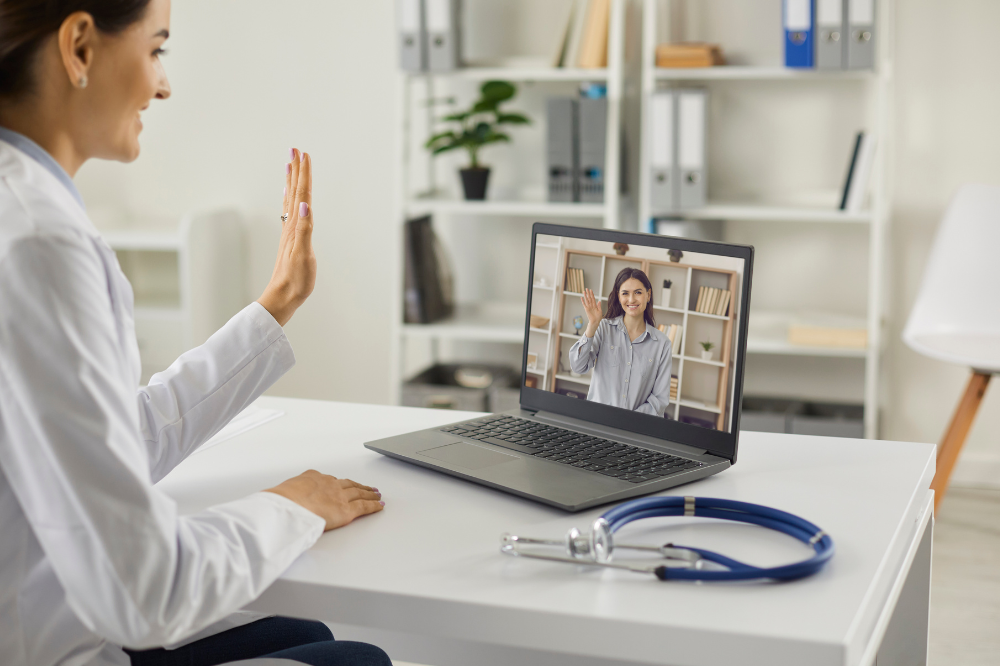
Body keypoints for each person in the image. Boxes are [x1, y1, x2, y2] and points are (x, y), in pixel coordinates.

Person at [0, 2, 390, 665]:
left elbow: (115, 439)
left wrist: (276, 306)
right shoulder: (38, 241)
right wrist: (291, 507)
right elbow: (144, 589)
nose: (163, 84)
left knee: (310, 637)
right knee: (360, 661)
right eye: (157, 50)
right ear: (80, 49)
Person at [569, 267, 672, 416]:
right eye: (625, 293)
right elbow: (578, 367)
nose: (631, 300)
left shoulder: (663, 344)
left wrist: (628, 420)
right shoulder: (603, 328)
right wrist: (592, 325)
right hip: (596, 422)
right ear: (618, 296)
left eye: (638, 292)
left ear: (648, 295)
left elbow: (659, 400)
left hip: (635, 429)